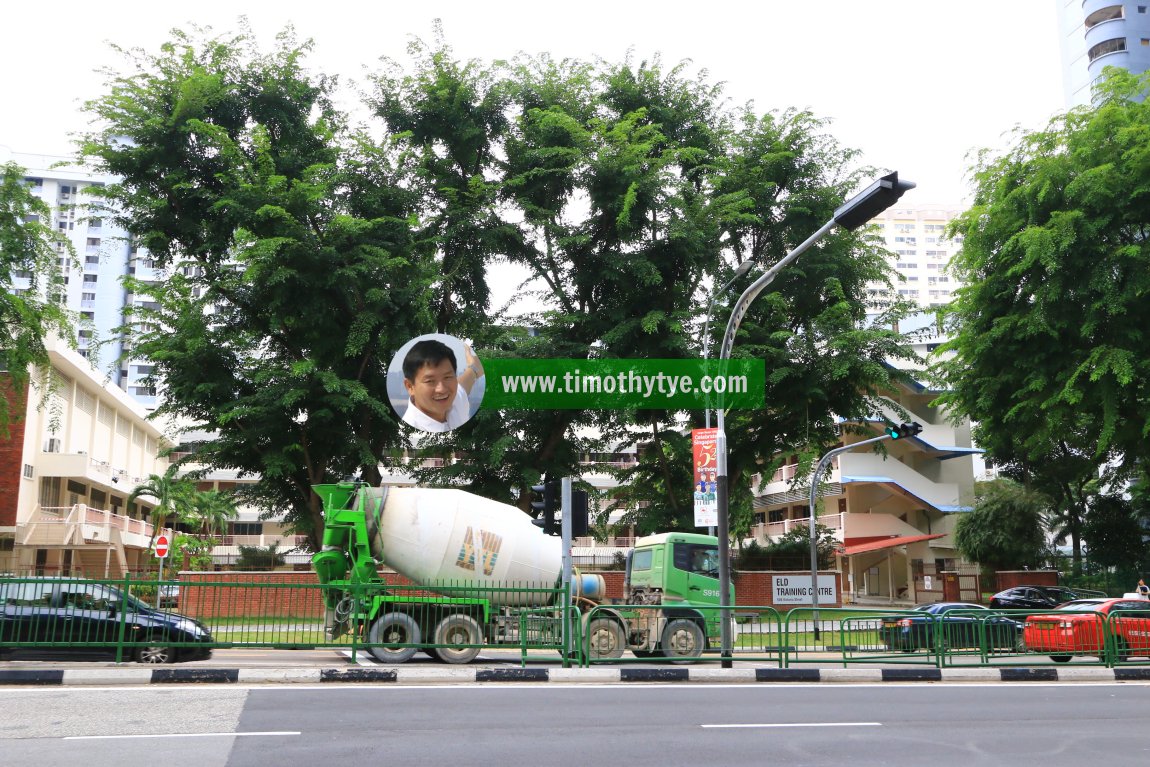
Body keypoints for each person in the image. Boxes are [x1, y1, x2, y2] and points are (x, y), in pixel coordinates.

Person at [400, 339, 483, 433]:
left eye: (447, 377)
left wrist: (473, 367)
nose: (442, 389)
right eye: (430, 381)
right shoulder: (411, 428)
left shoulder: (454, 400)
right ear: (410, 386)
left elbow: (468, 379)